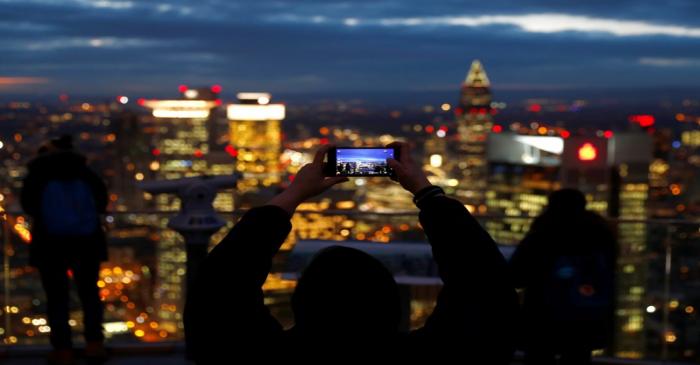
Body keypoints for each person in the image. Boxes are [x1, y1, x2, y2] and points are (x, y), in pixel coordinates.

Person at [185, 142, 518, 362]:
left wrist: (294, 193)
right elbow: (486, 287)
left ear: (302, 304)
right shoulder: (445, 356)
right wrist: (426, 192)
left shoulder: (253, 357)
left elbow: (217, 291)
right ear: (391, 306)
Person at [21, 136, 108, 365]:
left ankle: (63, 349)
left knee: (56, 298)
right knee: (89, 295)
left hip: (50, 245)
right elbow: (102, 202)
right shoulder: (85, 172)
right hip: (87, 243)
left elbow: (28, 205)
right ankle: (94, 345)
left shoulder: (38, 173)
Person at [509, 189, 617, 365]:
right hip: (587, 314)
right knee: (578, 356)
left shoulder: (543, 232)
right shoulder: (600, 232)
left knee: (539, 357)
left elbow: (517, 273)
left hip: (544, 316)